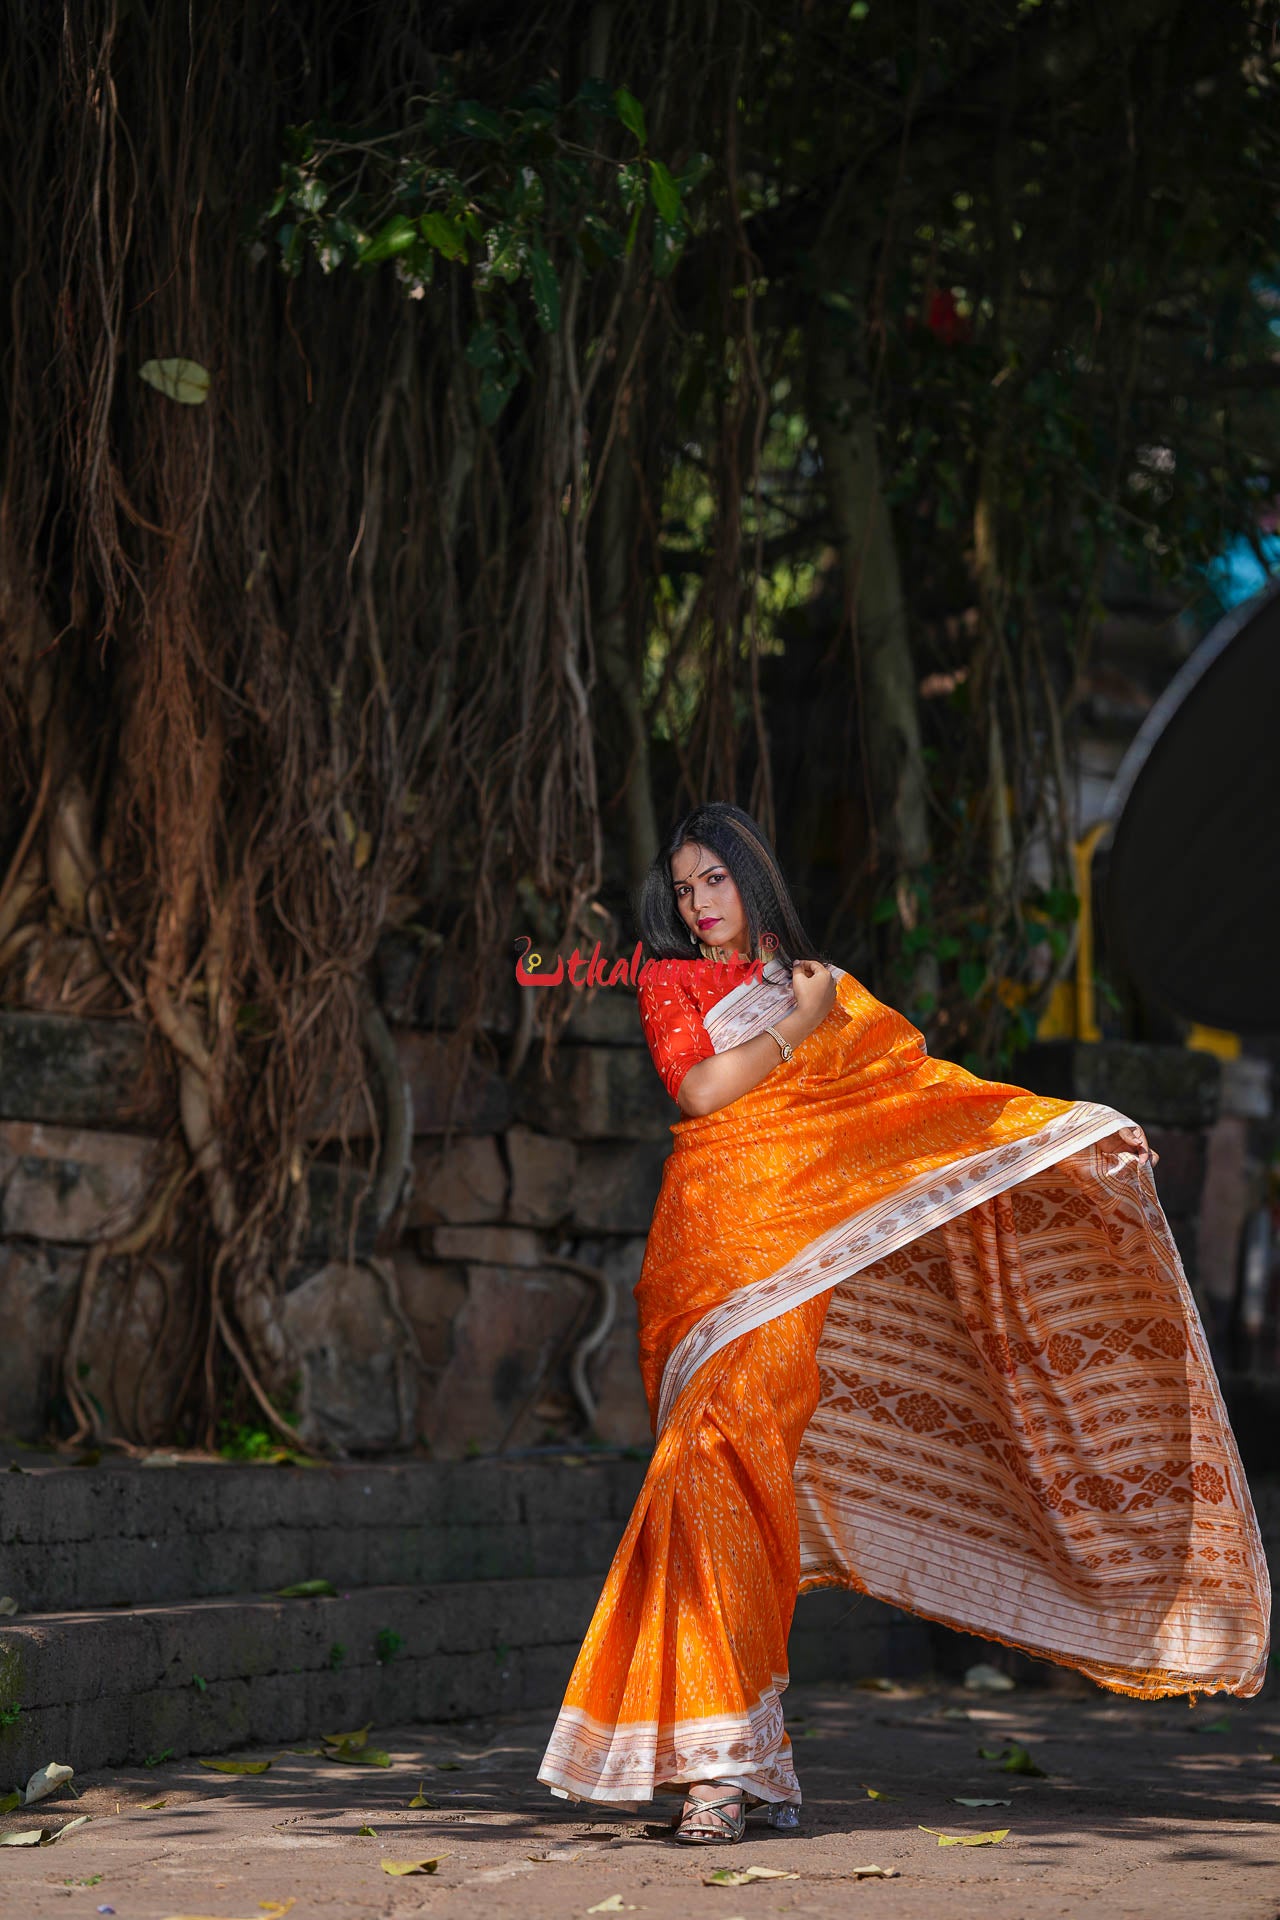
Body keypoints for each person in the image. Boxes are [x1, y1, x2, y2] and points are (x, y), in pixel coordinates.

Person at [537, 801, 1270, 1844]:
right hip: (703, 1261)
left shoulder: (834, 994)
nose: (699, 903)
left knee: (735, 1475)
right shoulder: (682, 981)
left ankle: (721, 1767)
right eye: (684, 884)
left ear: (754, 876)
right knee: (706, 1479)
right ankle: (740, 1763)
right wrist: (786, 1025)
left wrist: (1075, 1136)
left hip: (795, 1273)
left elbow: (926, 1103)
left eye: (716, 879)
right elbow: (700, 1090)